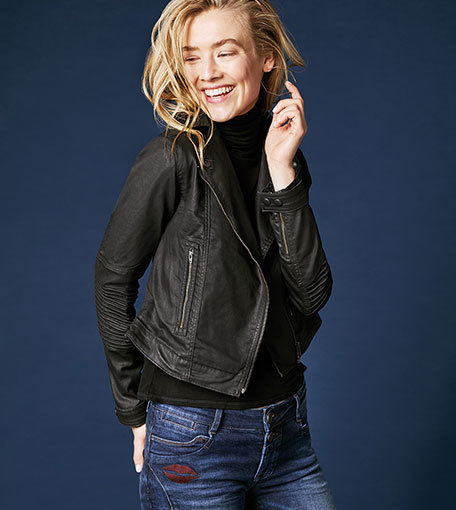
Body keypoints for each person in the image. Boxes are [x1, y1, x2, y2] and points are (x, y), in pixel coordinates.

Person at [94, 0, 336, 508]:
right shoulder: (171, 157)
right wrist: (133, 410)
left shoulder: (284, 155)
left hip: (286, 427)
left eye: (224, 52)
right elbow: (113, 280)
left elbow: (311, 292)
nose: (207, 73)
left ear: (266, 56)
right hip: (193, 431)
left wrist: (283, 173)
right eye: (191, 57)